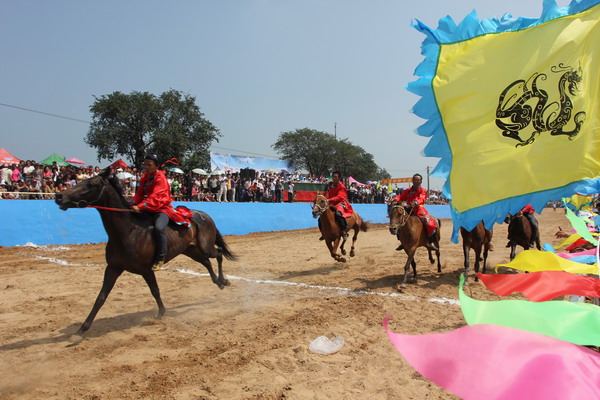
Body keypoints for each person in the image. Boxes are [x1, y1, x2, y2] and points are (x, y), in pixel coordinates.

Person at [131, 154, 191, 271]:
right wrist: (131, 202)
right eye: (145, 164)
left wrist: (140, 206)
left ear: (156, 166)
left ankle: (160, 257)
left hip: (161, 209)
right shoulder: (145, 178)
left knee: (159, 228)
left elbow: (156, 196)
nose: (146, 167)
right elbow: (139, 194)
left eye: (149, 165)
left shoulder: (160, 178)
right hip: (148, 208)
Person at [391, 173, 439, 251]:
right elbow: (401, 196)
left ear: (420, 181)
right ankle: (402, 242)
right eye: (414, 180)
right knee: (399, 223)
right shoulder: (408, 190)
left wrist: (416, 202)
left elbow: (422, 198)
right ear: (412, 181)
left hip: (419, 210)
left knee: (429, 223)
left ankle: (430, 242)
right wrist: (395, 199)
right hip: (408, 209)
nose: (416, 181)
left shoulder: (422, 190)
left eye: (418, 180)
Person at [319, 171, 353, 240]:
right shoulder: (330, 185)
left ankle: (343, 231)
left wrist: (329, 200)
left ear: (339, 178)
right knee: (321, 218)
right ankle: (323, 233)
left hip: (340, 203)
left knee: (338, 214)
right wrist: (325, 198)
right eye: (333, 177)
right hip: (331, 203)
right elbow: (328, 194)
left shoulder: (342, 187)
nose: (334, 178)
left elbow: (340, 197)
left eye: (335, 177)